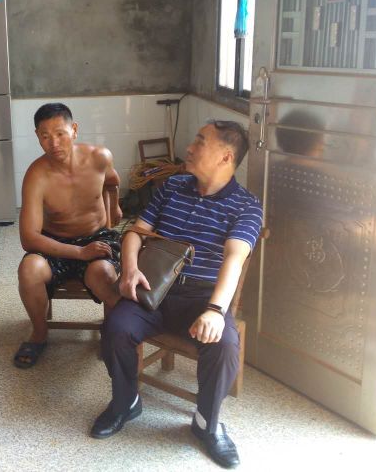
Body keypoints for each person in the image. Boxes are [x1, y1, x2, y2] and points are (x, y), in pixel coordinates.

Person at [92, 121, 262, 470]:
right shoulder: (172, 186)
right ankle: (126, 402)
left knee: (224, 345)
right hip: (154, 286)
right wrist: (129, 270)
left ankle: (206, 424)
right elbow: (136, 233)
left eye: (200, 142)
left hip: (203, 297)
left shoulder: (246, 205)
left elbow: (234, 258)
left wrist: (215, 310)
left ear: (226, 156)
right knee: (116, 327)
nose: (190, 147)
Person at [14, 103, 123, 368]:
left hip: (97, 237)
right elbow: (29, 238)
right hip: (56, 242)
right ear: (37, 136)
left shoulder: (99, 157)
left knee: (103, 273)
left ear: (74, 130)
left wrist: (115, 207)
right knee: (29, 269)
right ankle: (39, 333)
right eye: (45, 136)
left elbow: (112, 182)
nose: (53, 143)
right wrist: (79, 252)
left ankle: (112, 331)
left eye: (60, 133)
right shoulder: (36, 175)